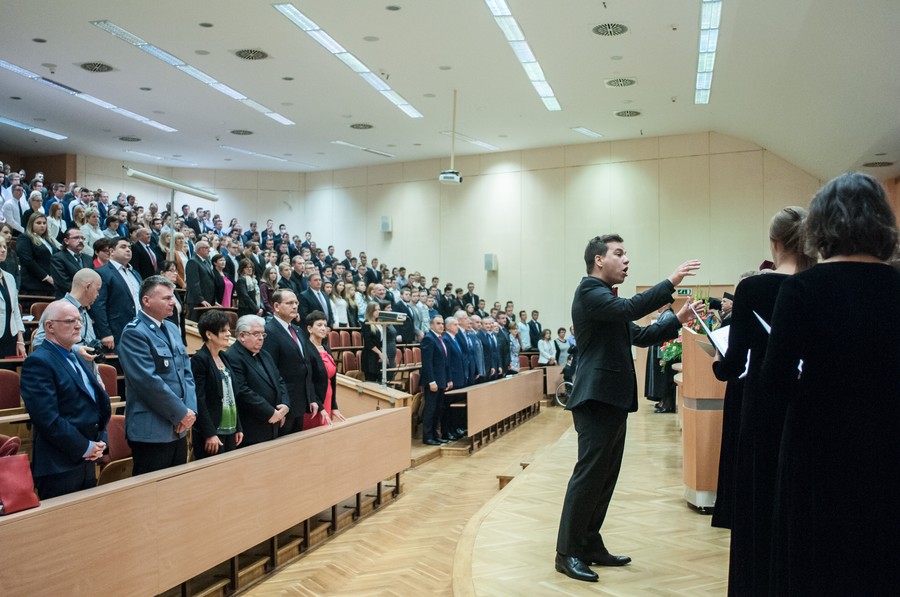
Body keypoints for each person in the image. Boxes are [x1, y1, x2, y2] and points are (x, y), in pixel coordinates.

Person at [760, 173, 900, 596]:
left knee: (817, 561)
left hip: (816, 444)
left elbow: (774, 383)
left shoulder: (802, 289)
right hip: (889, 440)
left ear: (820, 225)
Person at [555, 234, 701, 582]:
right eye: (618, 253)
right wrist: (671, 282)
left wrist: (677, 319)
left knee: (604, 479)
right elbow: (631, 311)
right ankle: (567, 552)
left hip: (612, 398)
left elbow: (640, 335)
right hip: (595, 398)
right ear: (598, 260)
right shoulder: (590, 291)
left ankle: (589, 543)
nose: (626, 260)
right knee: (588, 477)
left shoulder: (607, 300)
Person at [711, 206, 815, 595]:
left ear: (773, 243)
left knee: (757, 509)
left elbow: (733, 362)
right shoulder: (816, 285)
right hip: (802, 410)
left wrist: (720, 362)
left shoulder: (753, 288)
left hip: (759, 409)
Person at [20, 300, 110, 499]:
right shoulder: (38, 362)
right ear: (49, 326)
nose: (78, 325)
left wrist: (99, 441)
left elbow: (94, 404)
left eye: (79, 320)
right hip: (59, 466)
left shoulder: (76, 356)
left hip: (86, 459)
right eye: (70, 321)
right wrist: (85, 447)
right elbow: (48, 419)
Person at [119, 276, 197, 476]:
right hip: (152, 430)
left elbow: (186, 372)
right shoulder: (135, 333)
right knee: (151, 497)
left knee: (176, 491)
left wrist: (190, 411)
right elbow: (147, 382)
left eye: (173, 297)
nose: (173, 302)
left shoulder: (171, 327)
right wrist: (181, 412)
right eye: (166, 298)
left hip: (179, 426)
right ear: (146, 301)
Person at [226, 315, 291, 446]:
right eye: (256, 334)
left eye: (262, 334)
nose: (261, 338)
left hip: (274, 422)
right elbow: (242, 391)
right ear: (242, 336)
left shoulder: (264, 354)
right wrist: (270, 412)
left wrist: (285, 405)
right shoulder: (232, 356)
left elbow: (279, 381)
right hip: (252, 426)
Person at [262, 289, 318, 435]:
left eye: (296, 303)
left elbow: (306, 367)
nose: (294, 306)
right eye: (289, 303)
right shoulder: (269, 331)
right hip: (283, 405)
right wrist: (278, 405)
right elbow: (271, 372)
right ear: (276, 306)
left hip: (301, 402)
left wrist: (311, 397)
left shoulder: (298, 330)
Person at [191, 311, 243, 459]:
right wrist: (209, 433)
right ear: (209, 334)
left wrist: (238, 426)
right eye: (223, 331)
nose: (228, 334)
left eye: (228, 330)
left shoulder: (224, 357)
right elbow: (199, 400)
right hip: (212, 431)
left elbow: (232, 395)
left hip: (230, 428)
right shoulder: (199, 360)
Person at [93, 237, 142, 351]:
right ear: (111, 251)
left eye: (129, 247)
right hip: (116, 332)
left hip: (139, 329)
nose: (128, 250)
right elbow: (98, 305)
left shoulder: (135, 273)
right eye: (123, 247)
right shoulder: (102, 272)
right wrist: (105, 333)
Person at [303, 310, 345, 430]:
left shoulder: (326, 348)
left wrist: (334, 406)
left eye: (325, 325)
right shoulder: (306, 349)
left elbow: (333, 380)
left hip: (328, 397)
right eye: (319, 325)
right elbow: (308, 381)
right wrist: (320, 407)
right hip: (314, 402)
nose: (323, 328)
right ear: (310, 329)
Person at [420, 314, 451, 445]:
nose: (441, 326)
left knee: (438, 409)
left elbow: (444, 361)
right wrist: (432, 381)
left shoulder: (440, 338)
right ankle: (427, 437)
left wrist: (447, 379)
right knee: (430, 409)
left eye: (442, 323)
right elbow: (427, 363)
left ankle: (435, 435)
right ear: (431, 325)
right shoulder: (428, 339)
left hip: (441, 379)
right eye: (438, 323)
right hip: (433, 381)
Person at [17, 213, 58, 295]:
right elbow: (28, 260)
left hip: (51, 284)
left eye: (44, 223)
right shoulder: (25, 238)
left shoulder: (48, 241)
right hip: (33, 284)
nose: (42, 225)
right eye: (38, 223)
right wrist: (46, 277)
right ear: (31, 224)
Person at [0, 236, 26, 357]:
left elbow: (15, 312)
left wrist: (20, 340)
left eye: (5, 246)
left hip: (10, 337)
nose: (3, 250)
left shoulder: (9, 277)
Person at [50, 228, 91, 299]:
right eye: (76, 238)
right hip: (67, 300)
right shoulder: (58, 258)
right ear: (66, 241)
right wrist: (85, 292)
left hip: (87, 301)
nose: (81, 240)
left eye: (82, 238)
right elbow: (63, 283)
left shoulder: (88, 259)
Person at [361, 301, 384, 383]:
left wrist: (382, 353)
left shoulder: (379, 323)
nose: (378, 311)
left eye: (379, 309)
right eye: (376, 310)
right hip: (370, 355)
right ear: (371, 311)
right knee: (371, 381)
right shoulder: (366, 323)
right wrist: (380, 353)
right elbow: (368, 342)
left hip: (378, 354)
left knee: (380, 380)